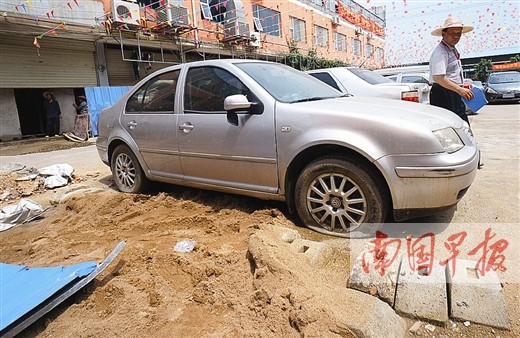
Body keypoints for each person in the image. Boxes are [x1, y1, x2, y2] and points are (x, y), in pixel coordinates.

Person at [429, 17, 475, 124]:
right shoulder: (441, 52)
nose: (456, 36)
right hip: (444, 92)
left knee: (461, 125)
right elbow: (438, 77)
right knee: (451, 125)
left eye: (458, 33)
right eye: (452, 33)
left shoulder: (451, 49)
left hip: (453, 92)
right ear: (443, 34)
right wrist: (459, 89)